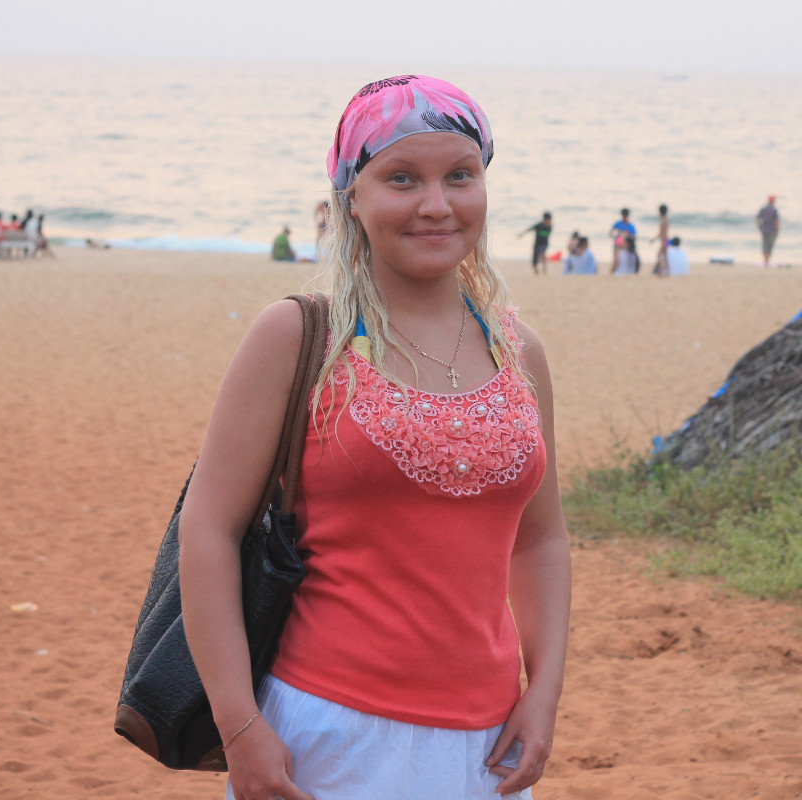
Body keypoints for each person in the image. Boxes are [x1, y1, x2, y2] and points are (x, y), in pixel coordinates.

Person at [179, 74, 570, 800]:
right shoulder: (298, 336)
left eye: (461, 175)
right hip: (328, 732)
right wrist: (238, 725)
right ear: (351, 197)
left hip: (487, 744)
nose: (436, 204)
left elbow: (539, 540)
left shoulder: (520, 352)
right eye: (402, 178)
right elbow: (208, 529)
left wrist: (544, 691)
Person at [608, 208, 635, 273]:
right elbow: (611, 233)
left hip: (627, 247)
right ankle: (613, 273)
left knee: (624, 261)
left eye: (626, 215)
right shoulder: (617, 224)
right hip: (618, 246)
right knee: (616, 260)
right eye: (624, 215)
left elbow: (633, 237)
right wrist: (618, 235)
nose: (625, 217)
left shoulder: (631, 226)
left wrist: (626, 236)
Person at [756, 195, 779, 267]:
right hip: (772, 230)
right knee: (770, 246)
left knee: (765, 245)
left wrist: (759, 227)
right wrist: (777, 230)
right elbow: (776, 221)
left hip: (764, 229)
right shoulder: (774, 210)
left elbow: (757, 219)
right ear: (773, 201)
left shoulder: (763, 209)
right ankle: (767, 261)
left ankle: (765, 261)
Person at [650, 204, 669, 276]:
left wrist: (653, 240)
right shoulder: (666, 219)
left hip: (664, 241)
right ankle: (664, 271)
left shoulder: (663, 221)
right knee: (663, 256)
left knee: (660, 256)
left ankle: (661, 272)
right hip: (666, 240)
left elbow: (661, 233)